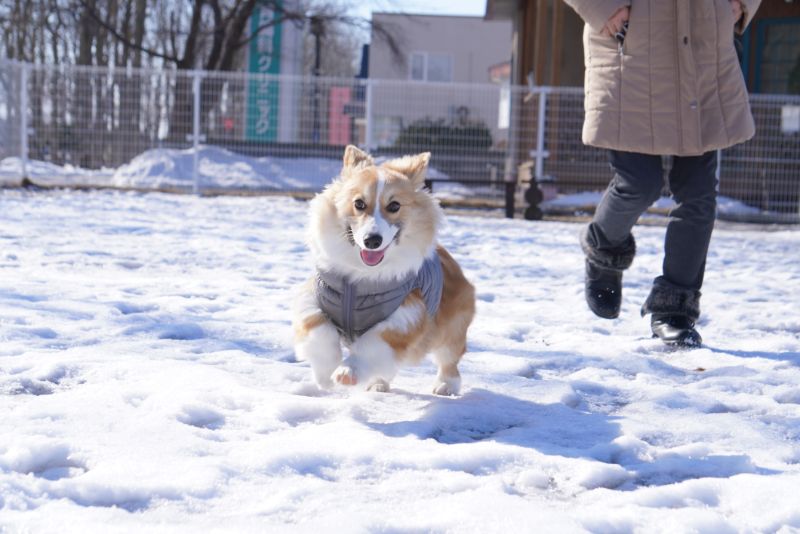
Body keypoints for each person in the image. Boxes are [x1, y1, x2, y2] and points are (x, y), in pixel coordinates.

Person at [562, 0, 761, 347]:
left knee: (698, 193)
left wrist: (742, 4)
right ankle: (604, 248)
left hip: (702, 45)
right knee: (638, 183)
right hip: (632, 48)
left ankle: (675, 310)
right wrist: (600, 7)